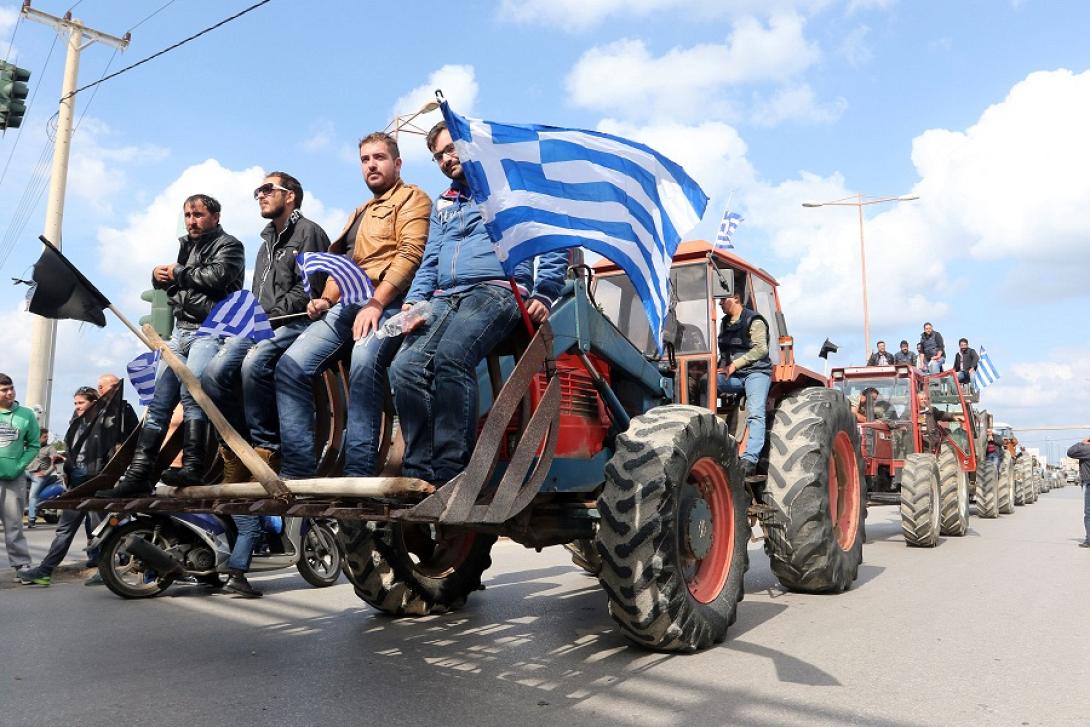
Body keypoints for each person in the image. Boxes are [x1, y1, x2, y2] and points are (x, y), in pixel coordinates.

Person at [389, 121, 567, 485]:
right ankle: (418, 473)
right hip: (443, 297)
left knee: (452, 356)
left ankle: (452, 471)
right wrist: (414, 300)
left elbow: (551, 237)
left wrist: (545, 292)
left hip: (497, 290)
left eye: (451, 149)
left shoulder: (509, 186)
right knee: (404, 366)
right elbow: (431, 257)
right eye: (438, 155)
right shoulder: (443, 203)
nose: (445, 159)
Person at [276, 132, 431, 481]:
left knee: (363, 360)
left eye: (379, 157)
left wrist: (377, 303)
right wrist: (325, 299)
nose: (371, 165)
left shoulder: (413, 198)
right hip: (347, 305)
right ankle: (298, 472)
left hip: (389, 302)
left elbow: (410, 255)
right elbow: (342, 264)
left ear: (397, 163)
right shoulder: (359, 211)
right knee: (291, 366)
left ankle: (358, 472)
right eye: (365, 160)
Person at [96, 195, 245, 498]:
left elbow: (217, 278)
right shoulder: (186, 246)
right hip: (181, 331)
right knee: (158, 403)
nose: (192, 220)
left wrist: (176, 274)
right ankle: (138, 474)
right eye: (188, 214)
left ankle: (193, 467)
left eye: (198, 214)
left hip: (211, 330)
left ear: (215, 216)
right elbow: (180, 289)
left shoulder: (230, 245)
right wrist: (157, 277)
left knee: (193, 395)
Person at [201, 172, 330, 483]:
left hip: (295, 322)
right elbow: (258, 293)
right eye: (258, 190)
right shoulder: (265, 243)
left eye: (268, 189)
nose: (260, 194)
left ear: (290, 196)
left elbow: (309, 289)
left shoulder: (309, 232)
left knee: (254, 363)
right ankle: (236, 449)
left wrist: (266, 315)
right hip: (262, 324)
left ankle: (267, 447)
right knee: (211, 373)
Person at [19, 380, 138, 587]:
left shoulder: (107, 422)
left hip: (98, 484)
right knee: (68, 529)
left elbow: (128, 431)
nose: (77, 407)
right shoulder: (76, 422)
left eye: (81, 403)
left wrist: (121, 404)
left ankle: (111, 567)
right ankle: (46, 571)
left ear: (95, 403)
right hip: (77, 486)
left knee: (102, 528)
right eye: (75, 403)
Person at [713, 288, 772, 478]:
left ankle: (750, 459)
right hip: (735, 375)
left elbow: (761, 350)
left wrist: (734, 365)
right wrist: (718, 368)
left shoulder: (754, 320)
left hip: (755, 373)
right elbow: (724, 352)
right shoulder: (724, 323)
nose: (720, 303)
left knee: (756, 413)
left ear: (736, 298)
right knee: (707, 382)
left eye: (723, 299)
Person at [0, 373, 39, 580]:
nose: (9, 393)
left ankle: (22, 567)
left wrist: (19, 465)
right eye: (4, 390)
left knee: (14, 524)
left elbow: (34, 445)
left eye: (11, 388)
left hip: (13, 478)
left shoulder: (26, 414)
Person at [25, 428, 60, 529]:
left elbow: (55, 463)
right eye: (44, 437)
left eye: (47, 436)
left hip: (39, 475)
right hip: (27, 471)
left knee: (33, 496)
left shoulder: (50, 449)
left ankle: (31, 520)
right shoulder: (30, 446)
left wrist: (45, 473)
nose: (47, 438)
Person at [1067, 438, 1090, 548]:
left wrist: (1082, 443)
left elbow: (1070, 452)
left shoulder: (1086, 450)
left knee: (1089, 513)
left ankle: (1089, 540)